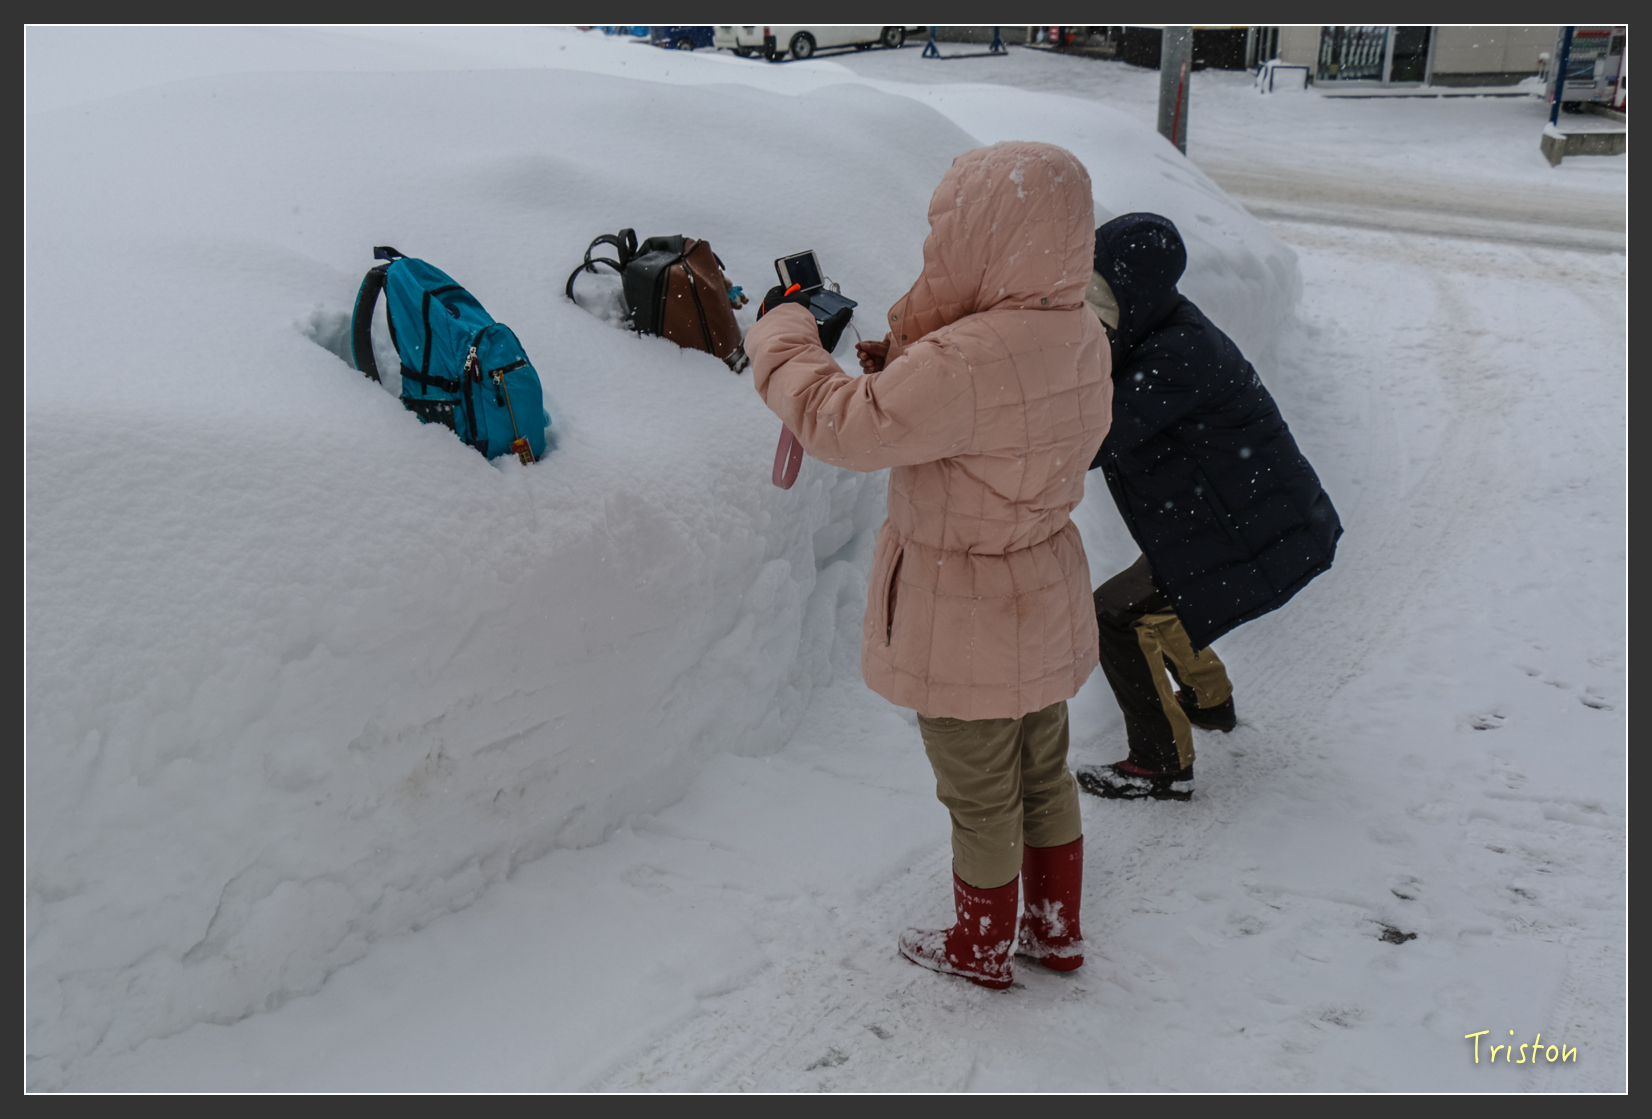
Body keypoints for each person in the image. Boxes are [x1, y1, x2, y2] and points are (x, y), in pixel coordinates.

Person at [743, 142, 1113, 990]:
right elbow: (1001, 417)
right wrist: (908, 372)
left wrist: (784, 332)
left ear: (988, 235)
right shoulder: (1078, 330)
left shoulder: (967, 360)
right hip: (1042, 586)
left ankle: (979, 945)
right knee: (1042, 770)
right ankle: (1056, 929)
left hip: (965, 611)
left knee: (979, 792)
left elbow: (843, 425)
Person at [1077, 213, 1342, 802]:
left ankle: (1160, 763)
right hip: (1230, 513)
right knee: (1166, 588)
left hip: (1244, 522)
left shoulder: (1175, 355)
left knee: (1114, 615)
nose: (1087, 310)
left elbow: (1091, 439)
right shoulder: (1156, 328)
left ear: (1135, 293)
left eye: (1100, 295)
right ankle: (1209, 700)